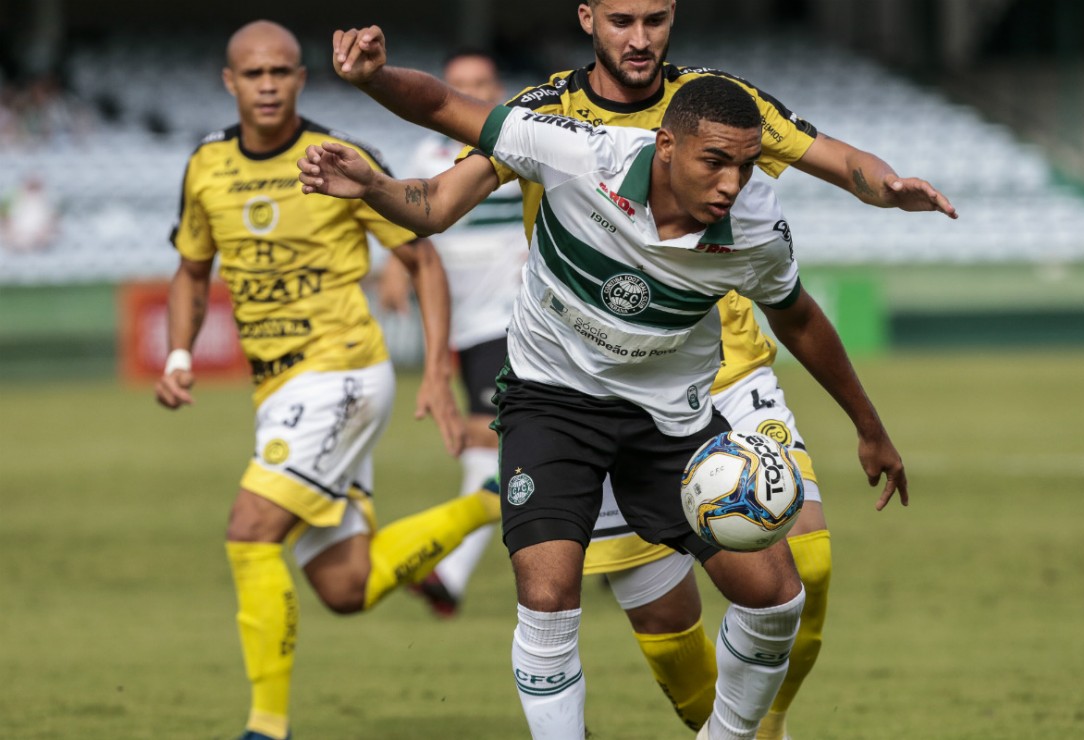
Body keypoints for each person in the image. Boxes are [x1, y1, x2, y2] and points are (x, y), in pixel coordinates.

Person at [299, 25, 909, 739]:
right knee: (549, 598)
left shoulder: (754, 230)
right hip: (552, 401)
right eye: (716, 163)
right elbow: (442, 111)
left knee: (777, 598)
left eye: (746, 168)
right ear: (666, 146)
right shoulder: (576, 150)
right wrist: (372, 106)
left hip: (672, 418)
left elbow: (799, 320)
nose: (731, 184)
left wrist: (869, 427)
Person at [154, 21, 499, 740]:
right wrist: (179, 355)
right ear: (230, 82)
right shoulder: (206, 166)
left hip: (343, 372)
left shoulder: (340, 159)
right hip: (276, 390)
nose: (269, 85)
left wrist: (436, 371)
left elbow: (422, 260)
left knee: (250, 531)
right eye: (254, 74)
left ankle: (265, 727)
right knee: (347, 586)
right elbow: (191, 270)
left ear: (302, 78)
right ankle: (493, 502)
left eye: (281, 71)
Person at [376, 50, 528, 615]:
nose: (471, 90)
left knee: (486, 439)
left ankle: (450, 573)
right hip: (464, 325)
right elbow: (413, 218)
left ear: (498, 87)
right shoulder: (429, 154)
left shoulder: (521, 142)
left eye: (480, 81)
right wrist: (397, 267)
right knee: (498, 443)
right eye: (459, 83)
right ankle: (622, 530)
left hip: (513, 319)